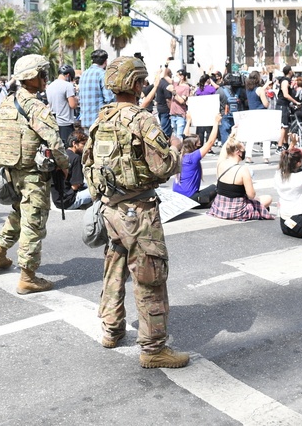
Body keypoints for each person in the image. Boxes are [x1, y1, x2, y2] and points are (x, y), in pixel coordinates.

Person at [81, 56, 189, 369]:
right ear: (135, 84)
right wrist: (175, 153)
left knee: (113, 268)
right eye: (141, 81)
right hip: (138, 210)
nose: (143, 86)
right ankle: (153, 349)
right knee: (150, 277)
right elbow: (162, 166)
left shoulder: (101, 119)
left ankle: (111, 329)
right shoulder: (141, 120)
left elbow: (89, 164)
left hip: (110, 208)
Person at [0, 54, 70, 294]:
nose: (46, 79)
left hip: (12, 171)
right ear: (32, 78)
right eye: (43, 74)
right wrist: (64, 166)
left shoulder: (6, 103)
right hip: (33, 175)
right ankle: (28, 276)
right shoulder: (34, 106)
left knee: (18, 215)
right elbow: (55, 142)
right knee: (33, 222)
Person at [210, 136, 273, 220]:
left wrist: (231, 135)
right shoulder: (243, 170)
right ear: (238, 152)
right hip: (236, 210)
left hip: (219, 208)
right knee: (268, 198)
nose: (245, 152)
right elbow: (251, 195)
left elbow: (223, 152)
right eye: (244, 150)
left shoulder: (220, 163)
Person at [172, 114, 221, 205]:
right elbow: (210, 142)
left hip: (177, 196)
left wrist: (189, 121)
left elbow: (185, 137)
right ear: (195, 146)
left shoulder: (181, 154)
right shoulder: (193, 157)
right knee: (218, 186)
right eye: (199, 144)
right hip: (190, 199)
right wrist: (216, 122)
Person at [51, 129, 92, 210]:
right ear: (74, 144)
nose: (85, 147)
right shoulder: (76, 158)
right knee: (98, 190)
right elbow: (75, 185)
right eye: (83, 144)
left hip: (57, 200)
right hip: (68, 201)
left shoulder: (64, 155)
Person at [78, 48, 114, 130]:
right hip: (98, 121)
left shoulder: (84, 74)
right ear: (105, 61)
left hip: (85, 120)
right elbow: (109, 98)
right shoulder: (103, 74)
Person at [243, 70, 272, 163]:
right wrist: (268, 100)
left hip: (252, 113)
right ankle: (266, 157)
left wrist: (266, 84)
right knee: (265, 136)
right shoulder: (259, 89)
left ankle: (248, 156)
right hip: (261, 113)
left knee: (251, 136)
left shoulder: (248, 89)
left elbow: (258, 91)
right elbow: (265, 104)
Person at [46, 64, 78, 145]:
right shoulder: (68, 85)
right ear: (68, 75)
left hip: (54, 122)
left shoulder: (50, 86)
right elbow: (73, 105)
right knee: (68, 148)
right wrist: (76, 99)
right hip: (65, 122)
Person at [168, 69, 190, 139]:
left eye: (177, 76)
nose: (175, 77)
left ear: (182, 77)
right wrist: (166, 64)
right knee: (174, 136)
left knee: (179, 136)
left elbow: (182, 101)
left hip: (180, 115)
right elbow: (165, 76)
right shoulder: (175, 84)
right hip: (173, 114)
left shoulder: (186, 87)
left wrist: (173, 92)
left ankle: (179, 150)